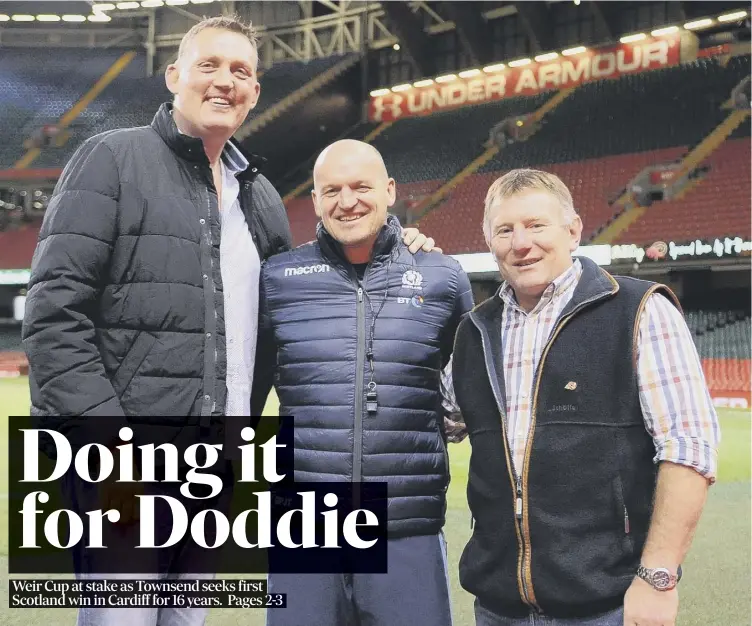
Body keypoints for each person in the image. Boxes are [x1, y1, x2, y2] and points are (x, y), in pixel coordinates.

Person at [22, 15, 435, 626]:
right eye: (208, 66)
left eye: (241, 70)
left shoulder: (259, 194)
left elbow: (312, 283)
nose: (225, 81)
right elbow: (55, 314)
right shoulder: (112, 158)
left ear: (256, 91)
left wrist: (399, 247)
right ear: (174, 77)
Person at [445, 169, 720, 626]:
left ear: (573, 230)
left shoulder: (639, 310)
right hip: (498, 606)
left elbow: (688, 449)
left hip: (605, 606)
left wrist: (658, 579)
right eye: (505, 230)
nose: (521, 243)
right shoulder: (474, 331)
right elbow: (434, 419)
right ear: (489, 240)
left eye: (536, 225)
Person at [255, 139, 474, 626]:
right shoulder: (278, 279)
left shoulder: (442, 276)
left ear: (390, 190)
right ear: (314, 201)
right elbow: (244, 391)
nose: (347, 201)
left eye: (361, 186)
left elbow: (470, 388)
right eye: (331, 189)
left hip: (406, 524)